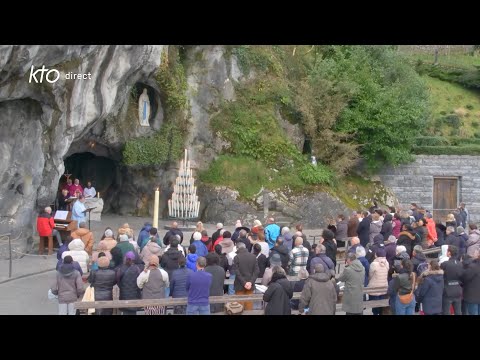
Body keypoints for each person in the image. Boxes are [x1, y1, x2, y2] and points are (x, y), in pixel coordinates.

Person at [233, 242, 259, 310]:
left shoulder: (236, 257)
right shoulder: (253, 256)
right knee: (249, 305)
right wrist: (250, 282)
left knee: (239, 306)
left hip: (239, 284)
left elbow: (237, 272)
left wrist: (244, 283)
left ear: (237, 248)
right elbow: (256, 271)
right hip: (250, 284)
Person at [440, 245, 463, 315]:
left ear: (449, 253)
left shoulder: (445, 264)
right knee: (458, 312)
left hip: (447, 291)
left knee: (446, 312)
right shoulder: (460, 264)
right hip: (458, 290)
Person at [368, 248, 389, 315]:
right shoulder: (387, 263)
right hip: (384, 286)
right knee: (381, 304)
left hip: (375, 287)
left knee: (375, 305)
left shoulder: (373, 264)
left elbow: (370, 275)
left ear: (376, 255)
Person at [461, 249, 480, 315]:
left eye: (475, 252)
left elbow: (464, 278)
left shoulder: (473, 267)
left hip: (473, 297)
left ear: (478, 255)